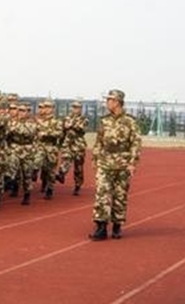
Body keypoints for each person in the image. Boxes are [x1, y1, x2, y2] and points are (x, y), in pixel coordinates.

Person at [89, 89, 142, 240]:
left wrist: (132, 163)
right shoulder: (104, 120)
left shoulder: (130, 122)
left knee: (120, 196)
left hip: (123, 163)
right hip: (105, 162)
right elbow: (99, 141)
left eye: (110, 100)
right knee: (102, 194)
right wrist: (95, 158)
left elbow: (135, 144)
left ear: (117, 102)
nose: (107, 103)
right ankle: (101, 227)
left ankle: (117, 225)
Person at [57, 101, 88, 195]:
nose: (75, 109)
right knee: (66, 159)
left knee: (78, 167)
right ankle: (62, 173)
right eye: (74, 107)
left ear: (80, 109)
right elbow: (63, 130)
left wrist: (70, 125)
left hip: (78, 144)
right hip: (68, 143)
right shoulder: (67, 118)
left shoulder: (84, 118)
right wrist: (60, 143)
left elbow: (81, 128)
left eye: (77, 107)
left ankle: (77, 185)